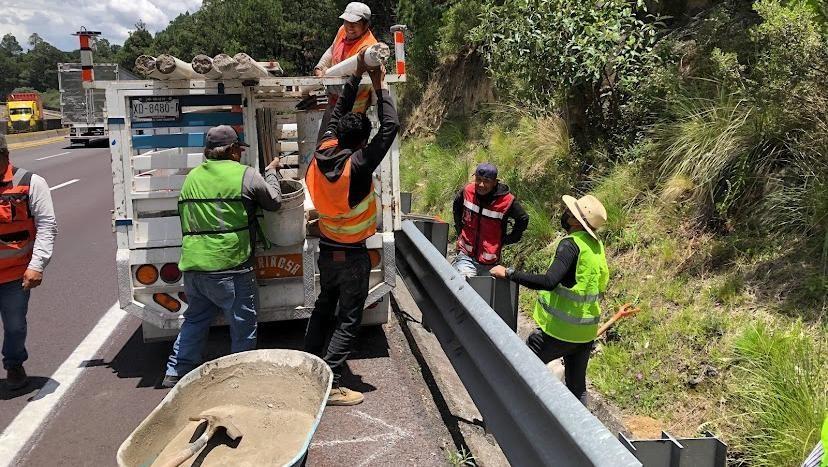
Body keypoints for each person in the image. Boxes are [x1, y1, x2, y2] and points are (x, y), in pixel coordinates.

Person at [304, 52, 399, 406]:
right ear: (361, 143)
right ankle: (329, 382)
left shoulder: (322, 149)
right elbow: (389, 129)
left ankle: (310, 363)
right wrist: (381, 85)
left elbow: (337, 111)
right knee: (348, 318)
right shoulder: (357, 166)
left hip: (327, 251)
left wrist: (356, 75)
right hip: (352, 256)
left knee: (323, 308)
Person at [162, 126, 283, 389]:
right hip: (231, 264)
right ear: (231, 150)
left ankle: (176, 371)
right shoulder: (245, 175)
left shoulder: (192, 177)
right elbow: (274, 202)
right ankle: (239, 376)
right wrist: (272, 172)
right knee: (242, 324)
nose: (240, 153)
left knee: (195, 319)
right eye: (238, 149)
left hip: (194, 265)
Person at [491, 194, 608, 405]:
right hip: (584, 333)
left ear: (575, 220)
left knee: (518, 370)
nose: (565, 214)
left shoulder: (571, 245)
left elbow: (548, 281)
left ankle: (507, 416)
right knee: (577, 387)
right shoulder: (596, 247)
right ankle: (579, 434)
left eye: (569, 212)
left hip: (558, 331)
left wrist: (509, 273)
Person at [0, 133, 57, 390]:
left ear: (5, 156)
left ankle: (14, 364)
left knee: (14, 326)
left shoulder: (30, 182)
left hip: (14, 275)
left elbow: (46, 225)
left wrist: (37, 265)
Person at [452, 163, 529, 277]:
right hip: (466, 255)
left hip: (490, 262)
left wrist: (509, 239)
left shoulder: (506, 201)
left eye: (486, 181)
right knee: (464, 284)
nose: (481, 185)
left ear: (494, 182)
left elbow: (523, 218)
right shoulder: (468, 190)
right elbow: (457, 206)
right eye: (478, 179)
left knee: (483, 292)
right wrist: (460, 230)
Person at [314, 2, 378, 114]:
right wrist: (320, 67)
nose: (350, 27)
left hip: (354, 108)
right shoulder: (343, 30)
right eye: (347, 22)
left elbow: (354, 83)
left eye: (355, 23)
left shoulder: (368, 49)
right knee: (327, 132)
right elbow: (332, 49)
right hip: (335, 101)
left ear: (366, 25)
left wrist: (327, 80)